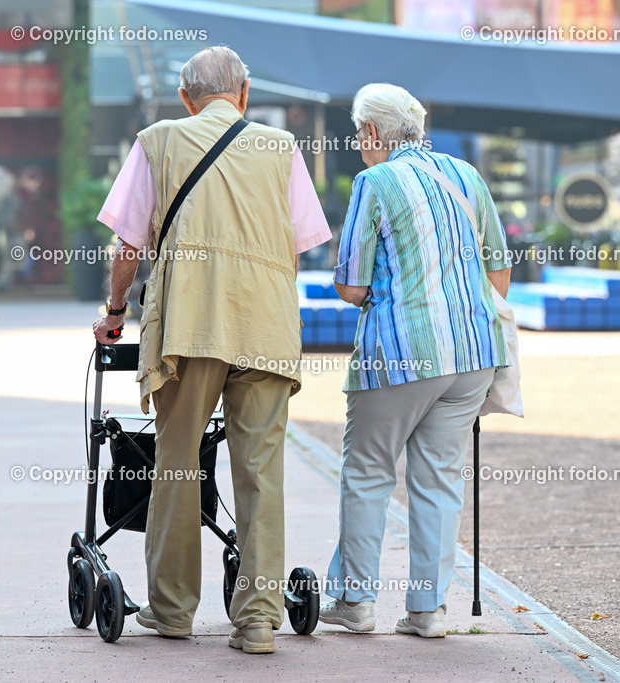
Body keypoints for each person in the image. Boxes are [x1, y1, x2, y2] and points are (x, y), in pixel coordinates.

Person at [91, 46, 330, 654]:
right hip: (267, 328)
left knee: (177, 464)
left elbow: (127, 246)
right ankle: (256, 621)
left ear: (184, 97)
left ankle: (172, 612)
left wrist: (116, 312)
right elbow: (298, 243)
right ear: (245, 94)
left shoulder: (158, 141)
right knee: (259, 472)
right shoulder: (283, 148)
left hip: (191, 328)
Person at [319, 83, 512, 638]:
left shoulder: (373, 182)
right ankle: (428, 611)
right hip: (474, 353)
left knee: (367, 472)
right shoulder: (466, 175)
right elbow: (498, 271)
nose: (359, 145)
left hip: (398, 355)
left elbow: (352, 287)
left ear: (374, 133)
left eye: (360, 134)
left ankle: (355, 601)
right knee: (438, 481)